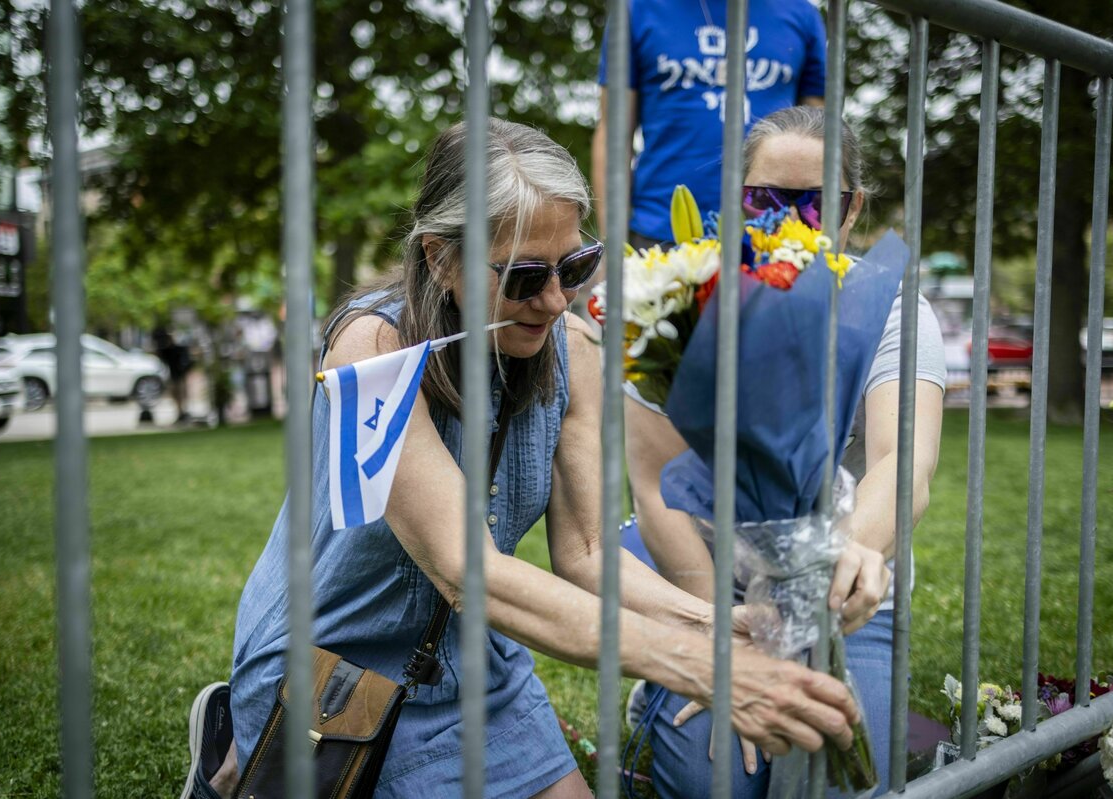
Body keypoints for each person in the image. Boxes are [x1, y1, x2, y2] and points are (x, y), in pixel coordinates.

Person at [183, 118, 859, 799]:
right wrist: (701, 666)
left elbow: (588, 552)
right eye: (524, 276)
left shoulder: (575, 348)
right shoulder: (373, 348)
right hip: (334, 669)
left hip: (475, 661)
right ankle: (233, 747)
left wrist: (713, 626)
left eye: (575, 265)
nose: (557, 299)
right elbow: (468, 573)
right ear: (441, 257)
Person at [623, 105, 947, 798]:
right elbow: (653, 486)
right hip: (709, 586)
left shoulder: (892, 307)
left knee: (844, 779)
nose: (789, 222)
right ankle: (652, 705)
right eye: (764, 200)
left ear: (852, 208)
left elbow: (904, 463)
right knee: (717, 782)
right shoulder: (678, 300)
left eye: (816, 202)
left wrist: (820, 586)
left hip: (842, 592)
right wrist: (718, 638)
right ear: (735, 200)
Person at [592, 0, 826, 250]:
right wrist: (611, 247)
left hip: (774, 230)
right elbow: (613, 135)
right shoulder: (638, 9)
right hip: (661, 229)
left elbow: (818, 134)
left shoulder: (800, 14)